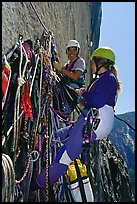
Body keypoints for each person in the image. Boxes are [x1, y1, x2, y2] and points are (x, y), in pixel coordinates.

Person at [31, 46, 121, 189]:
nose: (91, 66)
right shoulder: (105, 79)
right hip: (93, 121)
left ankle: (35, 185)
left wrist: (83, 94)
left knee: (65, 157)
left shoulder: (108, 78)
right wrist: (84, 97)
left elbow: (97, 101)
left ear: (100, 63)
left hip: (94, 122)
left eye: (93, 62)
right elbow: (97, 100)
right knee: (66, 132)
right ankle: (41, 142)